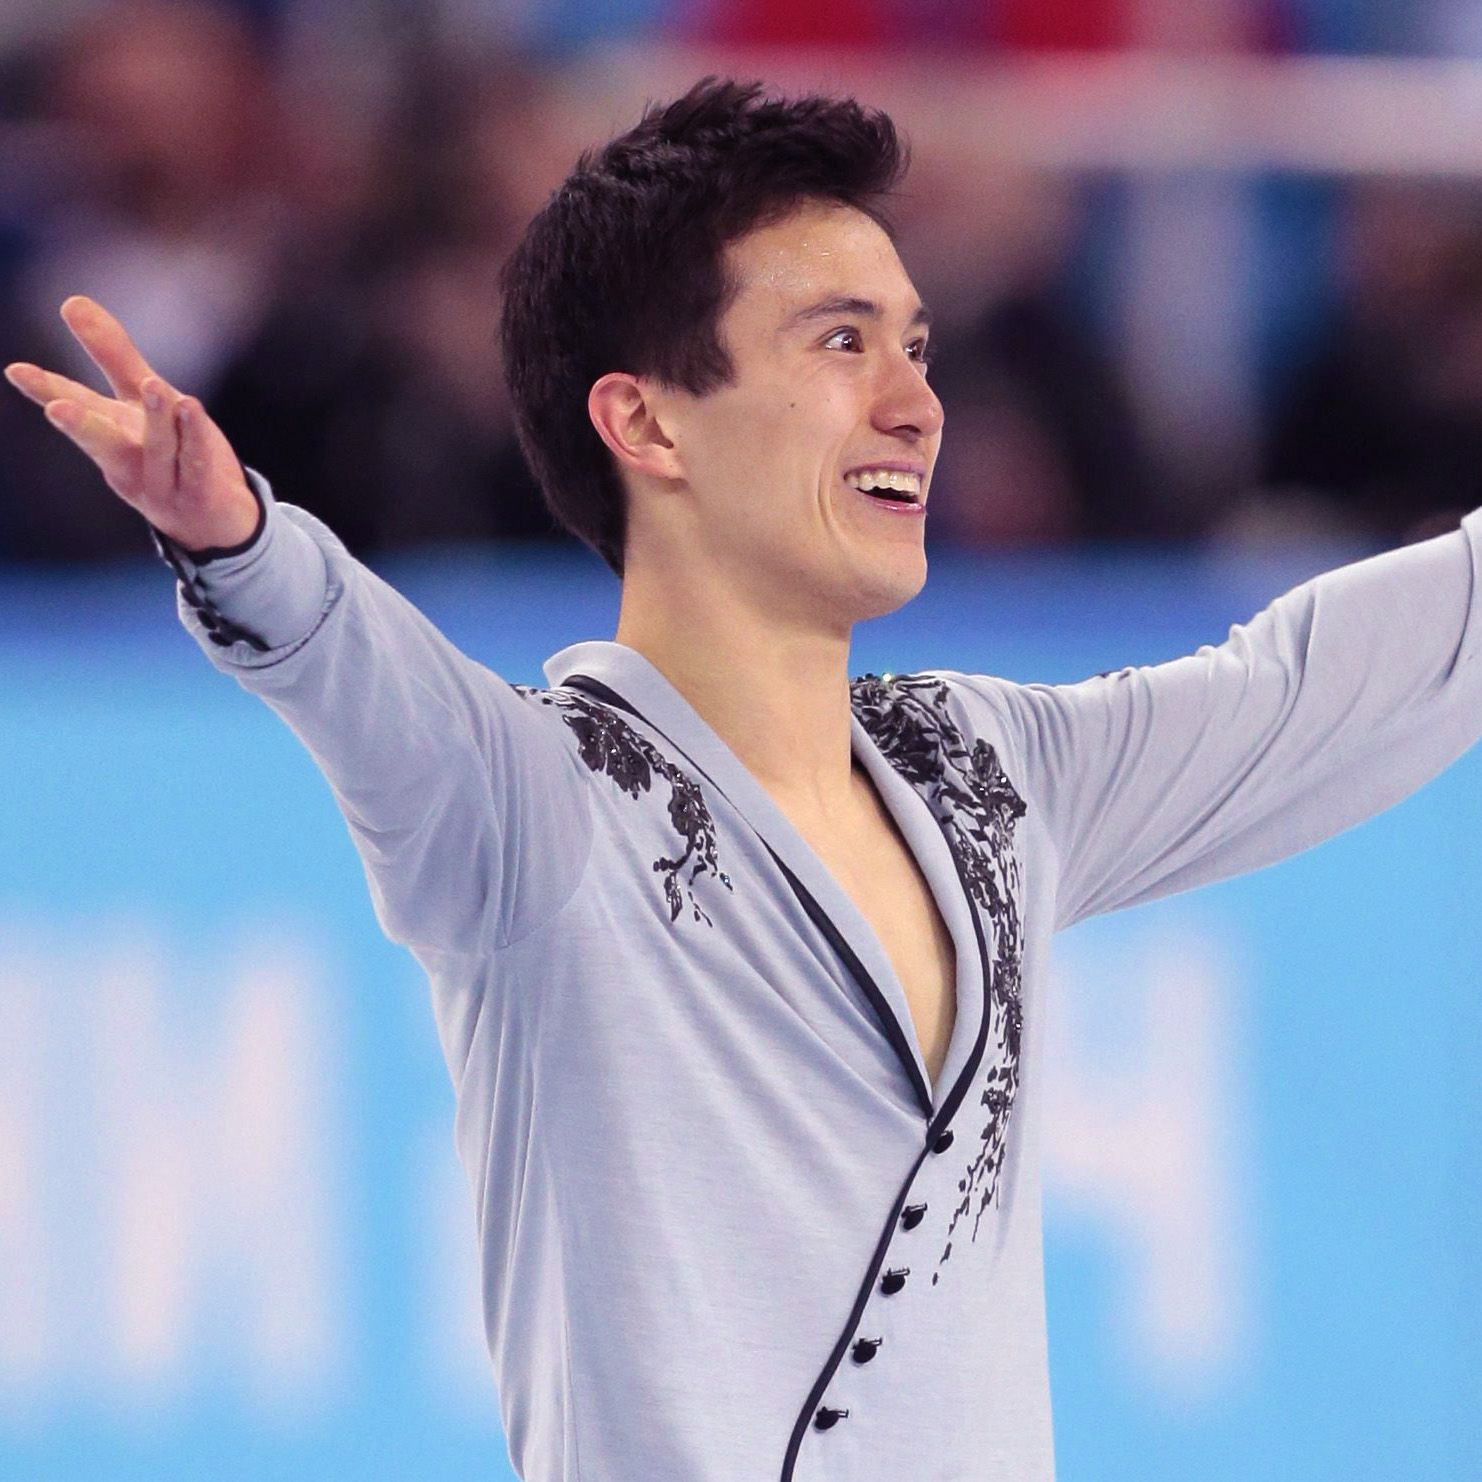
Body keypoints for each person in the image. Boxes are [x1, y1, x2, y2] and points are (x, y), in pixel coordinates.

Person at [6, 77, 1481, 1482]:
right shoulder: (538, 815)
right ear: (645, 419)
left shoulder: (992, 771)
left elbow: (1317, 687)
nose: (915, 404)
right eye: (841, 344)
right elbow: (359, 673)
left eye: (917, 346)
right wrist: (238, 536)